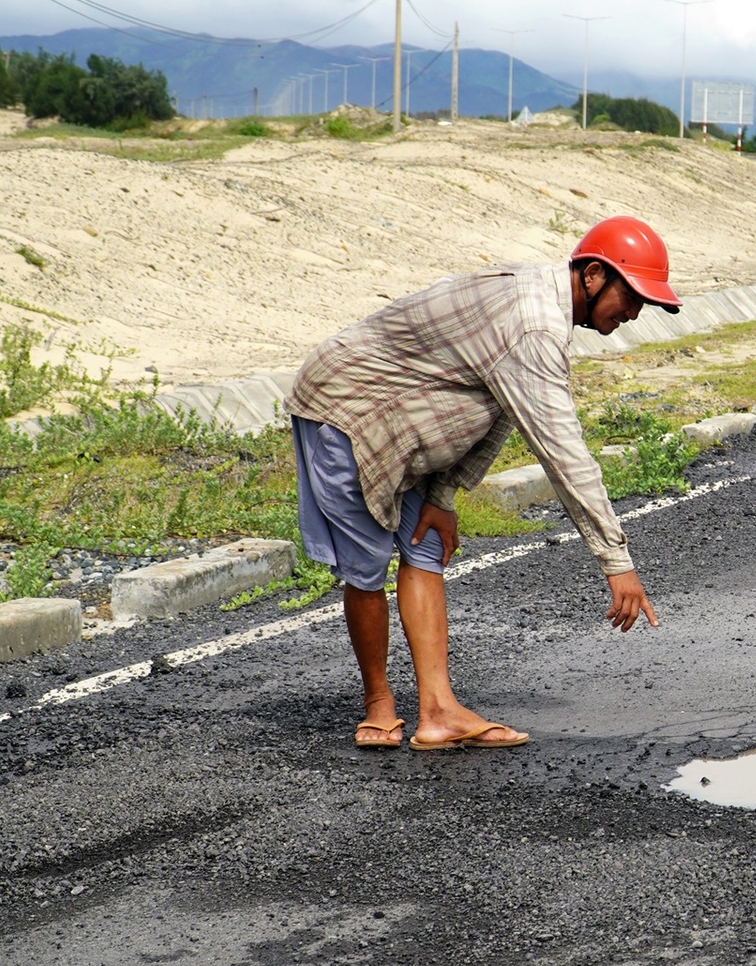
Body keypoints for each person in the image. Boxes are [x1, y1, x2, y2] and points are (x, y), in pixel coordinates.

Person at [284, 216, 680, 750]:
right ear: (592, 275)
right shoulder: (535, 324)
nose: (633, 313)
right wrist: (617, 563)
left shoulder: (541, 304)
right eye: (631, 298)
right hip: (348, 405)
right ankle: (378, 703)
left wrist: (443, 495)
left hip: (407, 418)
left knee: (423, 549)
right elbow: (563, 452)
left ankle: (437, 711)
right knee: (368, 561)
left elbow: (497, 406)